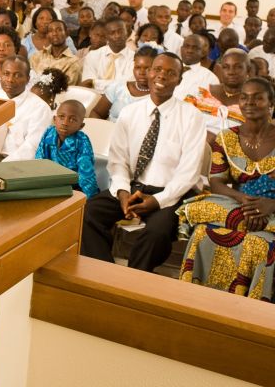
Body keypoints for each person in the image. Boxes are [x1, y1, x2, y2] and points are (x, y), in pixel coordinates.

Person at [81, 53, 207, 272]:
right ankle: (105, 274)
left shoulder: (191, 117)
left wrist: (157, 200)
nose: (162, 76)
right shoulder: (130, 113)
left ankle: (134, 280)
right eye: (157, 69)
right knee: (88, 213)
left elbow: (188, 173)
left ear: (179, 80)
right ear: (149, 73)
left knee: (156, 234)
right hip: (132, 187)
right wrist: (122, 192)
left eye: (171, 73)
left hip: (171, 193)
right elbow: (118, 160)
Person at [179, 78, 275, 301]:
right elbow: (217, 182)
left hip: (271, 207)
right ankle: (193, 300)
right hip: (239, 205)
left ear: (271, 103)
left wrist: (270, 205)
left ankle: (251, 311)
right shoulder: (226, 137)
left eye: (258, 98)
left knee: (260, 243)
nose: (249, 102)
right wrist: (245, 201)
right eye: (244, 97)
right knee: (202, 232)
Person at [184, 48, 248, 144]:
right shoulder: (199, 94)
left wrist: (217, 139)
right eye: (226, 67)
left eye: (238, 67)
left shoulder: (254, 103)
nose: (231, 72)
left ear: (248, 70)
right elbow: (181, 124)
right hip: (193, 147)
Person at [36, 99, 98, 197]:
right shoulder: (49, 133)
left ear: (81, 126)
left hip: (74, 189)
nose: (65, 123)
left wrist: (90, 199)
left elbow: (86, 175)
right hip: (50, 185)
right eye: (61, 117)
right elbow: (39, 162)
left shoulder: (81, 141)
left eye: (72, 119)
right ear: (54, 119)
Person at [89, 46, 157, 122]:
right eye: (137, 67)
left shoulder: (158, 97)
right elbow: (97, 113)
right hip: (108, 128)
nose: (141, 72)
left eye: (148, 69)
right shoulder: (118, 87)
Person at [81, 18, 134, 93]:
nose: (117, 36)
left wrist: (95, 82)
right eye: (112, 33)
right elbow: (87, 84)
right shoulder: (92, 56)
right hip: (95, 98)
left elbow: (127, 85)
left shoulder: (135, 58)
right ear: (106, 36)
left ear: (127, 33)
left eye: (120, 31)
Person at [30, 19, 81, 85]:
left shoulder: (73, 62)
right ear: (47, 35)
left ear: (67, 33)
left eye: (59, 30)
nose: (54, 34)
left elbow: (67, 88)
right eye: (50, 31)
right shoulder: (37, 56)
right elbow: (29, 81)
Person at [173, 34, 220, 100]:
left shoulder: (211, 79)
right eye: (187, 46)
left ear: (202, 53)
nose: (190, 50)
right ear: (181, 49)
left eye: (195, 48)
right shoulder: (168, 69)